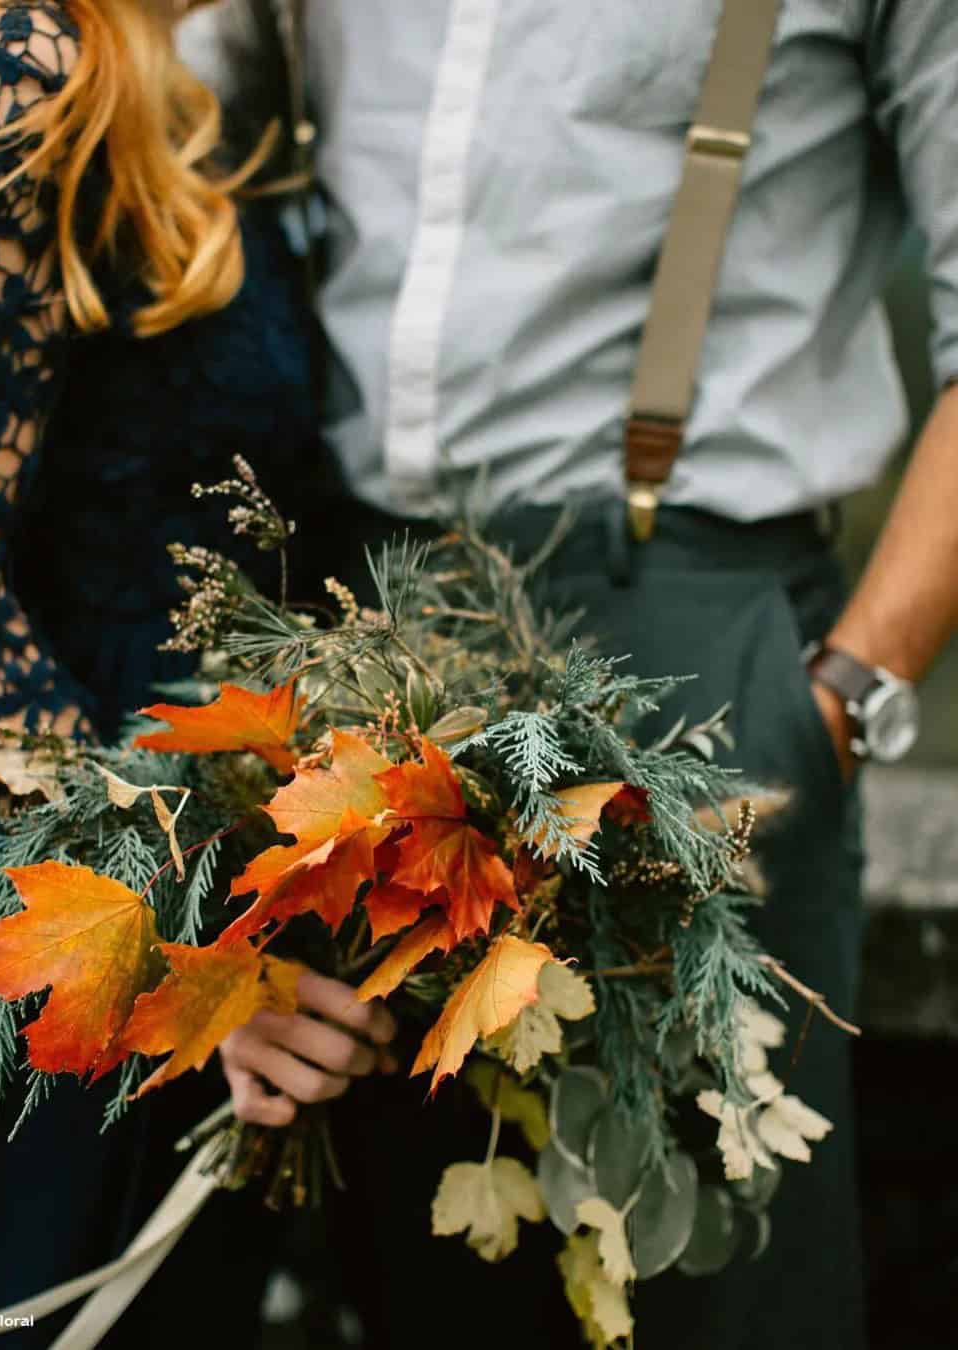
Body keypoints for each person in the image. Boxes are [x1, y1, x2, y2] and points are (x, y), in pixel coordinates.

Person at [194, 2, 958, 1347]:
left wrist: (839, 700)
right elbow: (158, 120)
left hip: (690, 641)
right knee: (419, 1270)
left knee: (709, 1277)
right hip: (368, 652)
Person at [0, 2, 394, 1344]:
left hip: (176, 858)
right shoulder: (18, 54)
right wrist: (170, 962)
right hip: (25, 890)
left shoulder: (182, 80)